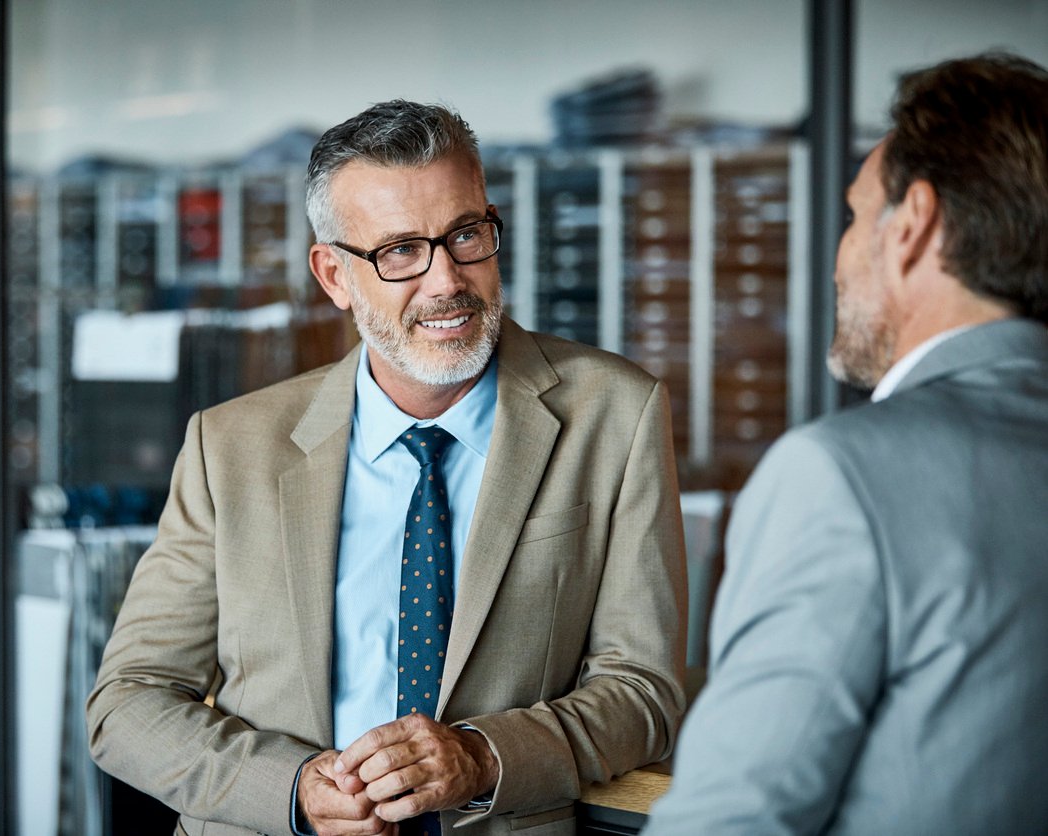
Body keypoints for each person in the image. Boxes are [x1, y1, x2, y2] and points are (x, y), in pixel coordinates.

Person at [87, 99, 688, 836]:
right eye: (400, 251)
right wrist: (295, 791)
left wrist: (481, 758)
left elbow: (645, 693)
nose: (445, 281)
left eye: (465, 235)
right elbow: (129, 701)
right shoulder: (230, 446)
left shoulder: (615, 414)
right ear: (334, 275)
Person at [643, 53, 1048, 835]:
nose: (838, 259)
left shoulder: (838, 478)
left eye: (857, 215)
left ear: (914, 224)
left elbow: (730, 822)